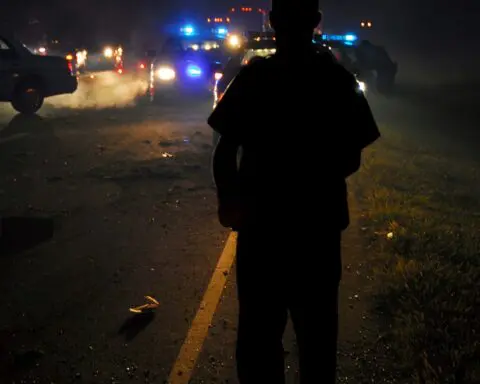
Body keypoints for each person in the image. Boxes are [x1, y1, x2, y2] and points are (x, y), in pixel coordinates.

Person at [208, 1, 380, 383]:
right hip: (317, 233)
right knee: (317, 340)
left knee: (257, 338)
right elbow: (353, 158)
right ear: (316, 23)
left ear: (272, 23)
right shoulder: (336, 81)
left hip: (261, 231)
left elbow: (223, 149)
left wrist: (229, 201)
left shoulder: (254, 79)